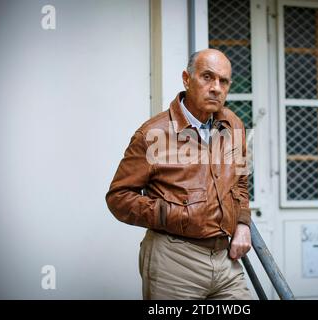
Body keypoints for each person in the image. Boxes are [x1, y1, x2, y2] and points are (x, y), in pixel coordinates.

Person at [106, 48, 253, 300]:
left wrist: (242, 222)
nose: (216, 87)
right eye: (207, 77)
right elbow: (119, 198)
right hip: (173, 259)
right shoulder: (154, 133)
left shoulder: (233, 124)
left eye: (223, 81)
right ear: (187, 79)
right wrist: (176, 214)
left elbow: (239, 180)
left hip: (224, 257)